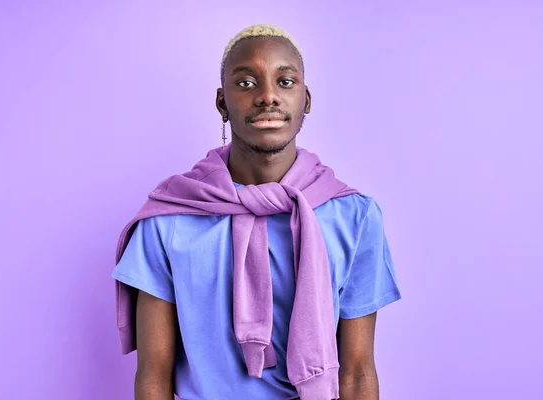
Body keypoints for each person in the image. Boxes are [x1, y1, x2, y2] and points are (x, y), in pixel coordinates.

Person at [112, 24, 401, 400]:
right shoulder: (167, 220)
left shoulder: (354, 216)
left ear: (306, 99)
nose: (268, 97)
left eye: (285, 81)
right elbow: (153, 377)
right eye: (247, 83)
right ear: (222, 103)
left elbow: (358, 373)